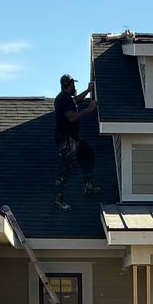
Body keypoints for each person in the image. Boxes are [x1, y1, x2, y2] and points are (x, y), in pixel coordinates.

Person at [54, 74, 97, 208]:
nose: (74, 87)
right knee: (65, 168)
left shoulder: (66, 98)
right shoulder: (62, 99)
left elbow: (75, 101)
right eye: (73, 85)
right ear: (69, 85)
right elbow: (72, 117)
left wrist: (88, 91)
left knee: (88, 154)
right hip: (67, 140)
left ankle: (87, 186)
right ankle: (58, 199)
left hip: (73, 139)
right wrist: (89, 109)